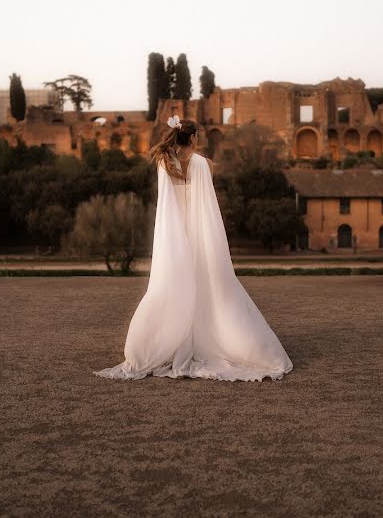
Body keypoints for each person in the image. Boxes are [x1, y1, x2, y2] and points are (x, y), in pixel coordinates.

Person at [94, 115, 293, 382]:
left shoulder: (163, 163)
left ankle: (151, 348)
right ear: (193, 138)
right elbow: (208, 206)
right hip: (200, 235)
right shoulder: (205, 165)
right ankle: (227, 342)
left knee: (169, 289)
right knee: (212, 288)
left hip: (174, 238)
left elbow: (167, 206)